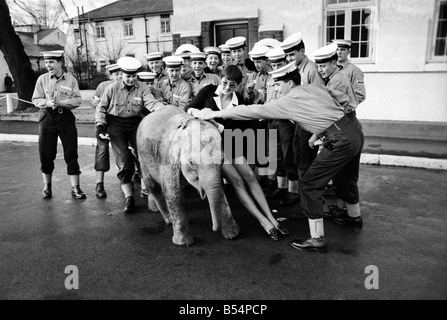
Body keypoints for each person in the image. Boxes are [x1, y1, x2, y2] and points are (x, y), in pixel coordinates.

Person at [197, 61, 364, 252]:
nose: (275, 88)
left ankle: (317, 239)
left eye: (278, 84)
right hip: (354, 129)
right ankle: (353, 217)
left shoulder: (288, 101)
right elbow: (342, 100)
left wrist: (214, 113)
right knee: (348, 177)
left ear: (290, 84)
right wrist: (321, 132)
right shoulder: (313, 87)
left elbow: (253, 111)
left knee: (309, 184)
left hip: (340, 139)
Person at [187, 65, 288, 241]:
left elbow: (237, 130)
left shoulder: (239, 100)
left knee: (250, 175)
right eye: (225, 82)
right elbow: (189, 109)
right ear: (221, 78)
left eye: (232, 85)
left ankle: (273, 218)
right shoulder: (208, 91)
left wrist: (217, 124)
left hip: (231, 142)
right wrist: (202, 114)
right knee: (238, 181)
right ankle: (264, 222)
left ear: (238, 85)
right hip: (212, 148)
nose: (227, 87)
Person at [96, 57, 166, 213]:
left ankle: (147, 190)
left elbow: (152, 104)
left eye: (134, 76)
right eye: (128, 76)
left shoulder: (141, 87)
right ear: (121, 74)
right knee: (124, 161)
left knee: (144, 157)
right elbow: (101, 108)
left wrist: (167, 111)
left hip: (135, 124)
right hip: (116, 126)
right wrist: (100, 126)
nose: (131, 79)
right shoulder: (112, 88)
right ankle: (129, 197)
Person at [313, 43, 364, 228]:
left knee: (347, 177)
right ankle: (343, 210)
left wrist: (314, 136)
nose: (320, 69)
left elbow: (330, 112)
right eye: (318, 66)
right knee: (343, 175)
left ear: (334, 63)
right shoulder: (335, 78)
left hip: (346, 128)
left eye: (323, 65)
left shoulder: (338, 81)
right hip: (348, 128)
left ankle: (354, 216)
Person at [281, 32, 325, 219]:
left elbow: (319, 98)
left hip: (308, 124)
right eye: (288, 55)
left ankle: (311, 206)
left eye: (292, 54)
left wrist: (316, 132)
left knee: (307, 165)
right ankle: (304, 200)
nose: (289, 58)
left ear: (302, 51)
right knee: (299, 162)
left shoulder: (311, 69)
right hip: (300, 123)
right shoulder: (298, 68)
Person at [31, 50, 85, 199]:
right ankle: (47, 187)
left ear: (60, 63)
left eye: (51, 62)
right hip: (47, 118)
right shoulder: (42, 79)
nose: (48, 65)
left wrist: (62, 102)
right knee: (46, 153)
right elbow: (36, 99)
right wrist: (47, 102)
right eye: (46, 62)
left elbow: (77, 100)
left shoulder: (71, 80)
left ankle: (76, 188)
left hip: (65, 117)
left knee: (71, 153)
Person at [263, 47, 300, 207]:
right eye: (273, 65)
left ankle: (293, 191)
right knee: (275, 154)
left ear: (285, 62)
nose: (276, 68)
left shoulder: (289, 78)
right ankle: (281, 187)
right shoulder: (272, 79)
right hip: (272, 119)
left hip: (285, 121)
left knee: (288, 155)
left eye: (279, 65)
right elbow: (268, 99)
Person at [90, 63, 122, 198]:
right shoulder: (102, 86)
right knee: (101, 152)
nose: (120, 76)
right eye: (116, 74)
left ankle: (126, 181)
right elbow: (94, 101)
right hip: (103, 122)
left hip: (118, 123)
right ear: (110, 76)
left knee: (122, 152)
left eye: (121, 73)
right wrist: (94, 103)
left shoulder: (125, 87)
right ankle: (99, 184)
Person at [332, 39, 366, 104]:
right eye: (337, 49)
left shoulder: (354, 71)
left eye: (342, 49)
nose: (339, 52)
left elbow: (360, 95)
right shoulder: (330, 68)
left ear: (348, 52)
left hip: (345, 111)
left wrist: (345, 107)